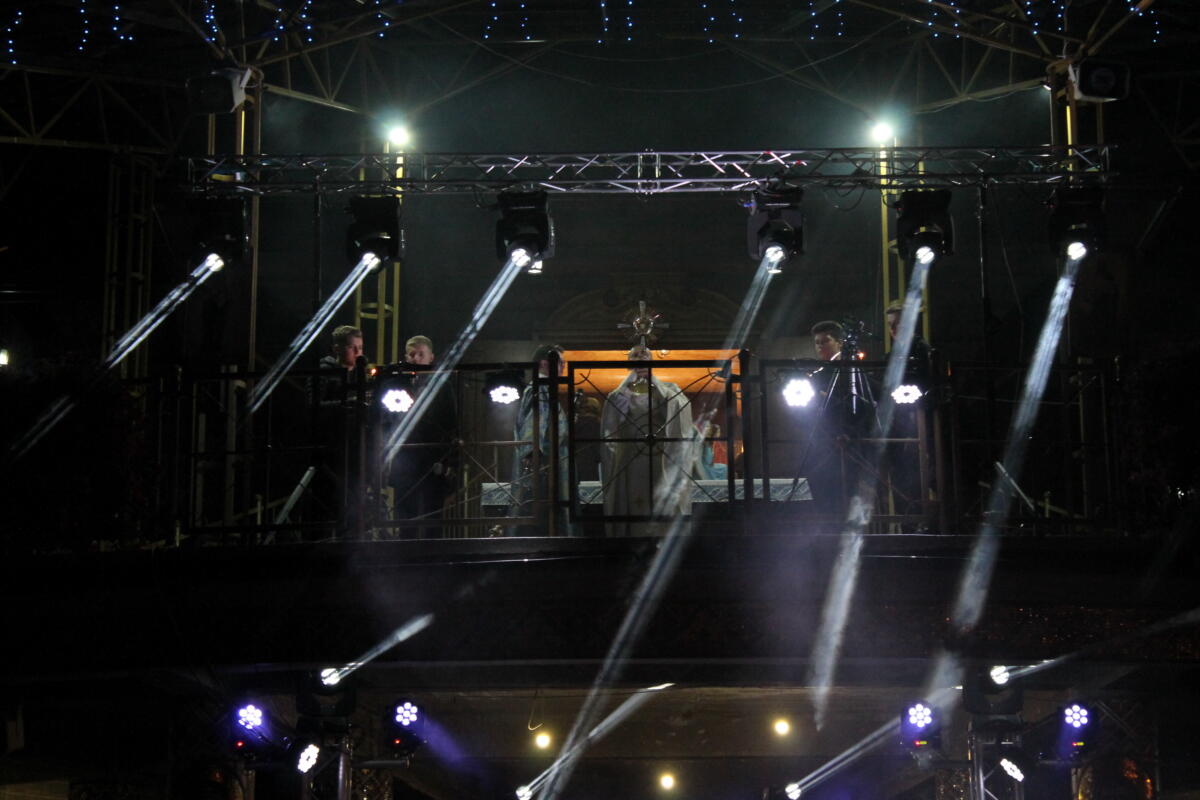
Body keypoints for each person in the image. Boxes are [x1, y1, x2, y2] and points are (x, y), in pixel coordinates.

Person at [600, 345, 696, 536]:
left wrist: (658, 388)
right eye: (635, 356)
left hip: (660, 459)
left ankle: (662, 540)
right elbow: (609, 431)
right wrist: (619, 409)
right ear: (629, 363)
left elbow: (680, 410)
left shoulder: (668, 390)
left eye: (645, 356)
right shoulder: (618, 395)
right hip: (630, 460)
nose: (640, 359)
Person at [387, 334, 456, 537]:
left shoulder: (442, 386)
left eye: (420, 354)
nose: (416, 359)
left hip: (432, 462)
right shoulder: (397, 385)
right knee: (405, 521)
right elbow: (388, 421)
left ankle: (432, 555)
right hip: (406, 461)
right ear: (405, 357)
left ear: (431, 357)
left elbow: (451, 423)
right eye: (412, 354)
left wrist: (449, 461)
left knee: (432, 519)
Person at [511, 344, 574, 535]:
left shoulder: (544, 388)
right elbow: (534, 425)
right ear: (544, 363)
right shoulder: (540, 388)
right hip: (546, 465)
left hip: (551, 461)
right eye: (560, 362)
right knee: (544, 516)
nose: (563, 367)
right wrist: (533, 454)